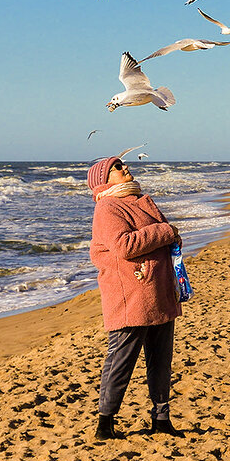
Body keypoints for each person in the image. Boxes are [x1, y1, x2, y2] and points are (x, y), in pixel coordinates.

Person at [87, 156, 183, 440]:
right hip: (130, 294)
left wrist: (171, 237)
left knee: (161, 360)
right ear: (104, 179)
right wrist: (167, 231)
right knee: (121, 360)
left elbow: (161, 239)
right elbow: (124, 246)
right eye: (118, 167)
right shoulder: (107, 207)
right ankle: (105, 424)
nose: (126, 168)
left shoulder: (138, 199)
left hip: (159, 291)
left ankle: (162, 419)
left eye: (124, 164)